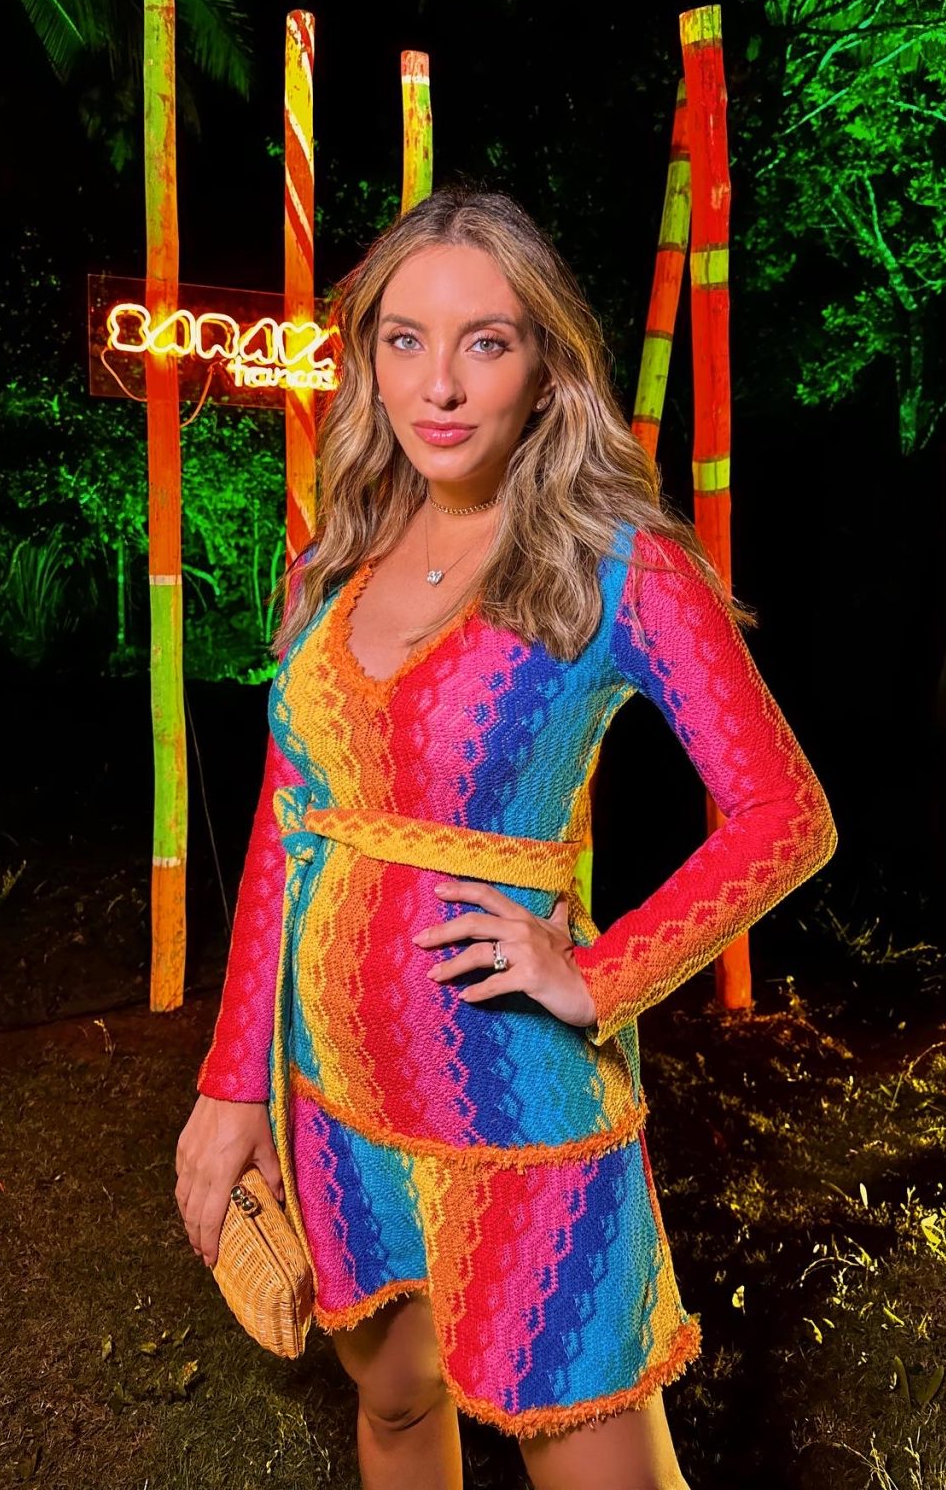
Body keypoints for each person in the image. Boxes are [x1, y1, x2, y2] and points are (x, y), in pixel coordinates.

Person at [175, 185, 837, 1490]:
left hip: (518, 1112)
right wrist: (231, 1084)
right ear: (368, 358)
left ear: (545, 366)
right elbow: (284, 828)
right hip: (335, 1096)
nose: (439, 384)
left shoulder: (616, 564)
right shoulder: (334, 559)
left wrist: (599, 975)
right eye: (404, 339)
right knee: (395, 1408)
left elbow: (784, 816)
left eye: (484, 341)